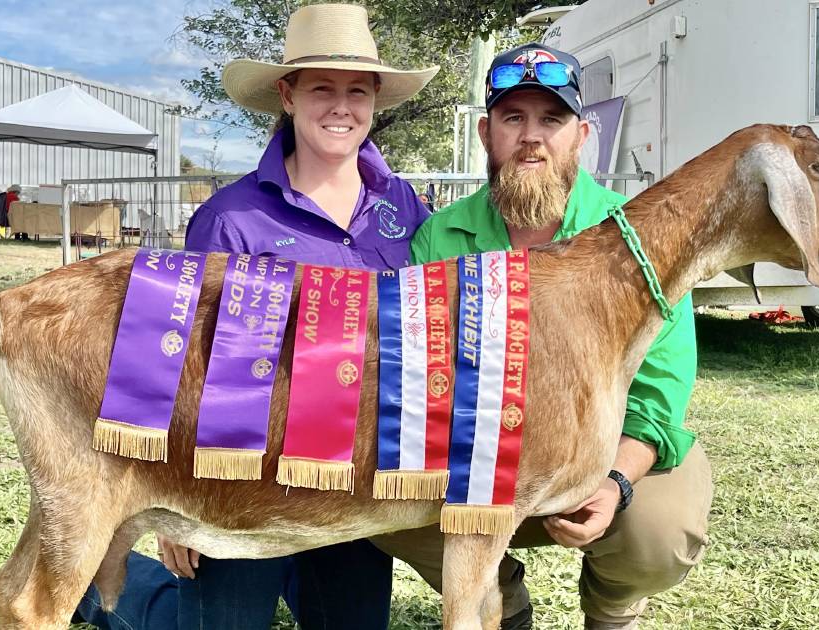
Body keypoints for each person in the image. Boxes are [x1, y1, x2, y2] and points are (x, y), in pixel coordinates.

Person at [72, 4, 438, 629]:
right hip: (239, 478)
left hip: (355, 485)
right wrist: (171, 498)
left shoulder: (407, 208)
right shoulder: (229, 219)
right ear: (288, 95)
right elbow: (181, 363)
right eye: (322, 88)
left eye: (357, 90)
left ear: (375, 99)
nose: (341, 107)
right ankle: (111, 596)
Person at [370, 43, 713, 630]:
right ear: (486, 133)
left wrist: (615, 484)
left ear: (581, 135)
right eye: (513, 118)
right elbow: (420, 383)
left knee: (662, 529)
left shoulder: (634, 240)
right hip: (478, 467)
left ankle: (613, 609)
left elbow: (660, 392)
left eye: (551, 119)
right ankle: (498, 603)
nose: (532, 136)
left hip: (601, 462)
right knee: (386, 502)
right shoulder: (438, 241)